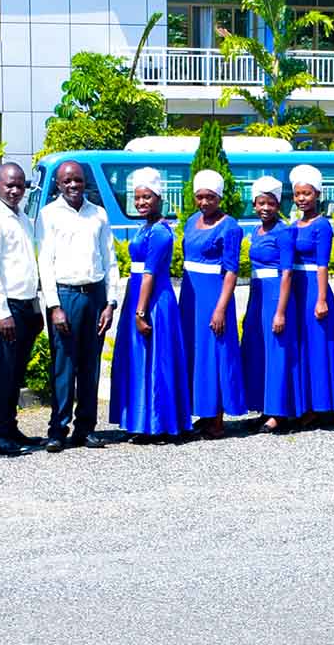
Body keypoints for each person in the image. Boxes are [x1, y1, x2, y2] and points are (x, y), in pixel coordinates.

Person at [37, 161, 120, 452]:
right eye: (67, 181)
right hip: (65, 296)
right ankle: (58, 430)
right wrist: (54, 306)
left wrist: (110, 303)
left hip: (95, 296)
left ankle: (85, 428)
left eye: (78, 180)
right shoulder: (48, 215)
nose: (73, 185)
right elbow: (45, 262)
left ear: (85, 182)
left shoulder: (98, 214)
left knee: (90, 366)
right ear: (58, 184)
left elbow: (110, 260)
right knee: (64, 366)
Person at [112, 167, 190, 443]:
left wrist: (141, 312)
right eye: (137, 197)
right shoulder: (145, 227)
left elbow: (149, 275)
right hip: (138, 298)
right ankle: (141, 422)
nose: (141, 202)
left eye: (147, 197)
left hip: (153, 302)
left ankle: (159, 424)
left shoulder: (160, 233)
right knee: (140, 359)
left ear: (159, 198)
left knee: (156, 360)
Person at [0, 162, 43, 456]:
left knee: (15, 372)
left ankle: (10, 427)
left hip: (25, 304)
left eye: (19, 185)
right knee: (1, 372)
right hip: (4, 308)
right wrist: (1, 313)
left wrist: (36, 306)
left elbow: (29, 265)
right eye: (9, 185)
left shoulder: (23, 217)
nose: (15, 191)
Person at [181, 168, 245, 437]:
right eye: (200, 196)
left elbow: (231, 271)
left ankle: (217, 417)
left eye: (210, 197)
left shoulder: (230, 227)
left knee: (214, 354)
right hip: (190, 296)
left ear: (219, 197)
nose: (204, 202)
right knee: (195, 352)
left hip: (214, 297)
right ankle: (203, 411)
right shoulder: (191, 221)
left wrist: (220, 308)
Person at [242, 175, 302, 432]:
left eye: (271, 203)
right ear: (254, 205)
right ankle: (264, 406)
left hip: (277, 296)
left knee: (277, 353)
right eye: (261, 203)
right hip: (258, 294)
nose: (265, 208)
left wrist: (280, 312)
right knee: (260, 352)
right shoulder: (256, 232)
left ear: (278, 205)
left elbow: (287, 273)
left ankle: (279, 412)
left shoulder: (283, 232)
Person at [289, 164, 334, 423]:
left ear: (318, 194)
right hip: (295, 288)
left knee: (316, 345)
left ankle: (318, 405)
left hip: (313, 288)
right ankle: (302, 402)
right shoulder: (294, 224)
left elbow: (323, 265)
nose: (302, 198)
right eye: (298, 194)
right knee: (299, 346)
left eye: (307, 193)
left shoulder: (322, 226)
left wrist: (321, 299)